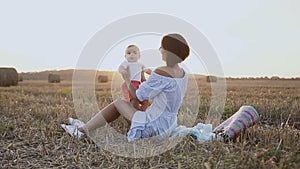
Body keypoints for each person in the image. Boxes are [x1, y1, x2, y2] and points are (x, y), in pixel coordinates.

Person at [61, 33, 190, 142]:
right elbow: (165, 90)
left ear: (168, 51)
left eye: (162, 47)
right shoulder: (183, 73)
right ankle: (86, 125)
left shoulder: (161, 72)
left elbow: (138, 95)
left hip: (155, 127)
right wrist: (150, 77)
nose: (160, 49)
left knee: (119, 103)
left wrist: (127, 78)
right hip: (168, 125)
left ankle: (81, 131)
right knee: (133, 106)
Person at [118, 45, 150, 111]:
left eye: (135, 53)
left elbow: (146, 70)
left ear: (139, 56)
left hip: (139, 84)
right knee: (134, 101)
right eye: (129, 53)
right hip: (129, 84)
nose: (131, 55)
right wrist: (123, 71)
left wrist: (151, 72)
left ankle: (143, 110)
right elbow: (120, 68)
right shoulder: (126, 63)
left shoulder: (140, 64)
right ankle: (136, 111)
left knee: (145, 100)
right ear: (125, 56)